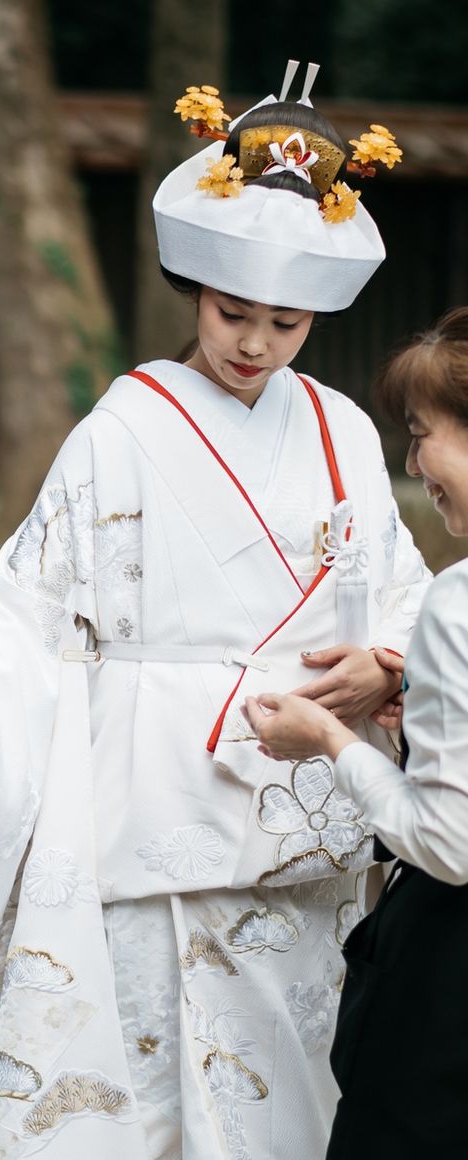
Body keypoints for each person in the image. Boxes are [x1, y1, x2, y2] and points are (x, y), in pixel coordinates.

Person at [0, 64, 430, 1158]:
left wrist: (388, 662)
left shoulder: (343, 430)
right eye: (230, 311)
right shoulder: (120, 432)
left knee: (294, 1079)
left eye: (284, 322)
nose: (253, 342)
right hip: (154, 795)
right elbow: (20, 601)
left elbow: (401, 589)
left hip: (305, 795)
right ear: (193, 289)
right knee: (153, 1084)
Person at [244, 307, 468, 1159]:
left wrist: (332, 744)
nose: (412, 466)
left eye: (421, 435)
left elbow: (448, 842)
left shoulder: (457, 603)